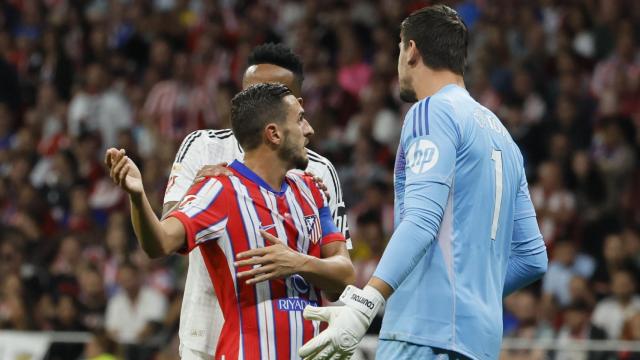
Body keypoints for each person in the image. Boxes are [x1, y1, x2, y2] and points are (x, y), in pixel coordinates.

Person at [298, 5, 548, 360]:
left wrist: (365, 303)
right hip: (480, 343)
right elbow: (533, 258)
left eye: (399, 49)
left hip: (423, 336)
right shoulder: (504, 137)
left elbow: (421, 221)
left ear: (411, 49)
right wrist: (468, 300)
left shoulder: (431, 112)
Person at [105, 83, 355, 360]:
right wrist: (138, 198)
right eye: (299, 119)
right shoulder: (219, 190)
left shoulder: (312, 190)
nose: (309, 130)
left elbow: (344, 275)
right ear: (273, 134)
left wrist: (298, 263)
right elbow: (160, 244)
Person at [162, 43, 351, 360]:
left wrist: (296, 261)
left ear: (294, 103)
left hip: (294, 340)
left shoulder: (317, 173)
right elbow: (172, 223)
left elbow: (338, 278)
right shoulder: (204, 147)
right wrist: (214, 187)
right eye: (249, 90)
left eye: (269, 90)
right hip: (207, 330)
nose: (254, 99)